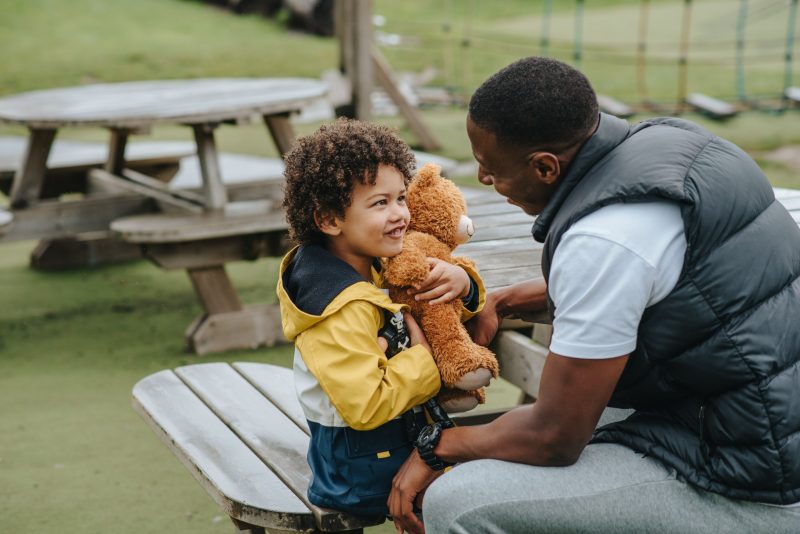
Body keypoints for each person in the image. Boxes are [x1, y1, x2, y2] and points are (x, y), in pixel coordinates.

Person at [388, 57, 800, 533]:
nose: (482, 180)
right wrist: (503, 301)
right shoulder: (678, 144)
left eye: (489, 168)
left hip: (753, 483)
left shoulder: (602, 240)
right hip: (751, 417)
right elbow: (652, 281)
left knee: (460, 502)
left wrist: (436, 444)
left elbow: (554, 437)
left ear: (545, 167)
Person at [277, 119, 485, 517]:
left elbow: (438, 304)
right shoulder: (337, 306)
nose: (401, 215)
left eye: (401, 198)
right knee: (477, 495)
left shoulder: (373, 264)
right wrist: (425, 358)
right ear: (329, 220)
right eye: (379, 203)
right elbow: (366, 405)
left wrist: (463, 282)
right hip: (360, 471)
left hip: (390, 441)